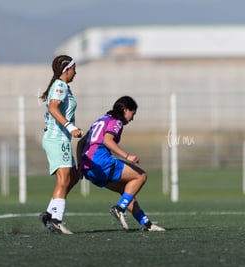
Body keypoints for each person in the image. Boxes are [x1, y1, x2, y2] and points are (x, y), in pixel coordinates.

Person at [78, 96, 165, 232]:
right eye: (132, 113)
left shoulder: (101, 120)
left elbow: (81, 143)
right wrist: (127, 156)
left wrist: (80, 167)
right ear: (125, 110)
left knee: (128, 191)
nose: (132, 118)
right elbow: (108, 140)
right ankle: (119, 209)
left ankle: (146, 224)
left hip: (88, 167)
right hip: (101, 162)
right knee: (141, 176)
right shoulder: (116, 121)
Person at [38, 55, 83, 234]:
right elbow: (53, 108)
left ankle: (49, 214)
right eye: (74, 68)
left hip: (61, 139)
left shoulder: (63, 86)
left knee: (74, 175)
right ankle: (56, 220)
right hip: (57, 139)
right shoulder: (60, 85)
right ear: (67, 69)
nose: (75, 72)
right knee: (64, 179)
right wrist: (70, 127)